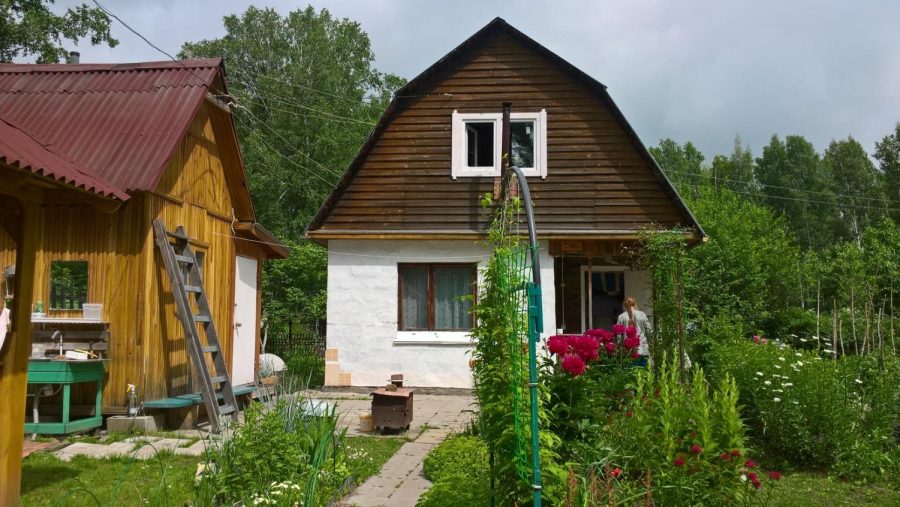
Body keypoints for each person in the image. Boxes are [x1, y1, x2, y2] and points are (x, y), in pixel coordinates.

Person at [617, 297, 651, 367]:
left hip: (628, 350)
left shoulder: (621, 317)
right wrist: (650, 343)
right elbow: (649, 330)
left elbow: (619, 335)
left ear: (624, 306)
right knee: (644, 372)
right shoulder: (642, 314)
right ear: (635, 304)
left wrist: (620, 346)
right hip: (642, 348)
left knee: (630, 373)